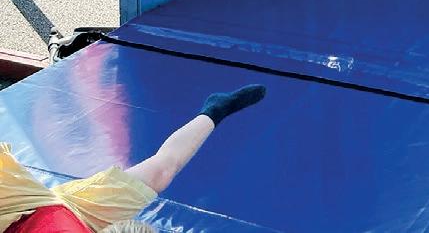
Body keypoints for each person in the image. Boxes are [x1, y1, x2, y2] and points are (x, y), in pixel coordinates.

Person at [0, 85, 266, 233]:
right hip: (63, 212)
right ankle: (215, 110)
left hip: (22, 205)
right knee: (160, 172)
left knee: (160, 171)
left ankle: (215, 109)